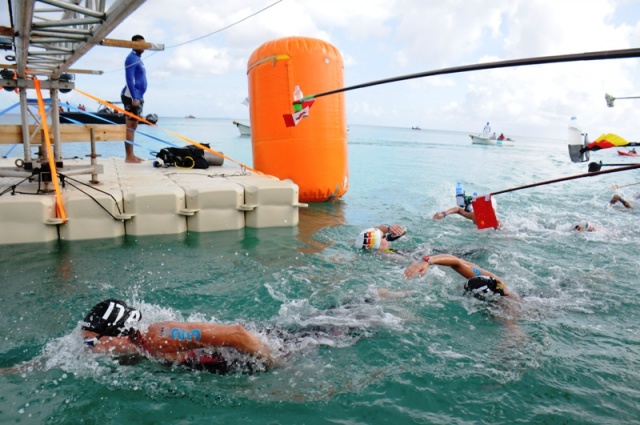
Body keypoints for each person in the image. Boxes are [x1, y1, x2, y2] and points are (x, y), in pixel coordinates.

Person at [81, 299, 273, 374]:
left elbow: (239, 334)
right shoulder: (135, 346)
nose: (88, 348)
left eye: (91, 342)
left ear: (119, 335)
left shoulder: (161, 337)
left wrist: (276, 363)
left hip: (273, 347)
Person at [403, 254, 520, 300]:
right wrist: (427, 261)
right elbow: (456, 262)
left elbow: (513, 329)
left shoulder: (505, 311)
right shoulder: (498, 283)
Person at [121, 34, 148, 163]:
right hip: (131, 96)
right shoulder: (131, 58)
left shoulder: (138, 58)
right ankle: (128, 156)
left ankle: (132, 154)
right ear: (133, 45)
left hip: (138, 96)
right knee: (130, 126)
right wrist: (134, 97)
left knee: (134, 126)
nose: (143, 46)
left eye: (144, 44)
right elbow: (129, 79)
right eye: (140, 44)